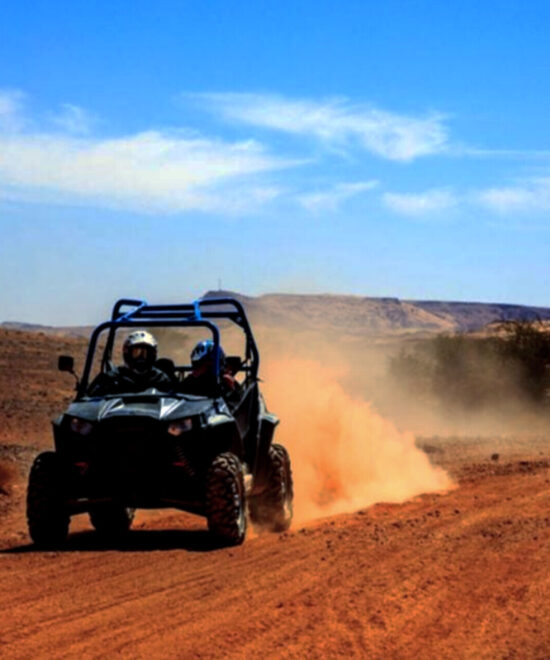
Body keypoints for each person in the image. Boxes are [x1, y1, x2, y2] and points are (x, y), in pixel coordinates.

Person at [88, 330, 173, 396]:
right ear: (127, 353)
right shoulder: (112, 379)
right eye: (137, 353)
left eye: (146, 354)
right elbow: (90, 401)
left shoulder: (161, 379)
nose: (142, 358)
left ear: (153, 355)